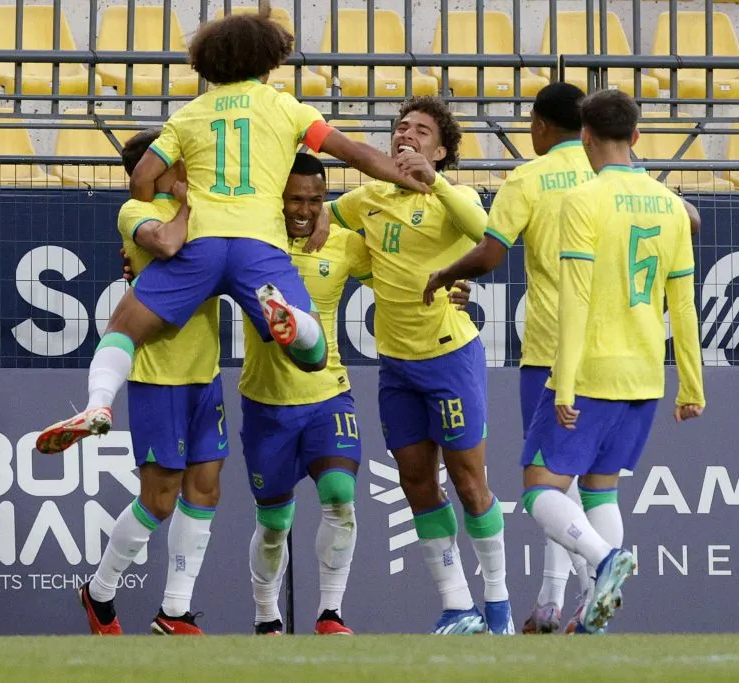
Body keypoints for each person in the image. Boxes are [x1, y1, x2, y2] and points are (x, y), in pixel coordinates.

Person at [35, 6, 429, 455]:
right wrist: (407, 178)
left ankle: (98, 404)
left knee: (123, 327)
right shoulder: (285, 107)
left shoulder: (188, 115)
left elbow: (141, 176)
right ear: (267, 58)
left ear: (210, 60)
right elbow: (353, 152)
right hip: (257, 245)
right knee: (312, 353)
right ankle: (290, 321)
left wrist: (155, 219)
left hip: (199, 244)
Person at [245, 153, 473, 636]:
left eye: (315, 199)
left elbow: (400, 281)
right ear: (277, 200)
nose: (304, 210)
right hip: (265, 399)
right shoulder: (251, 245)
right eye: (294, 200)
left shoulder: (347, 244)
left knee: (340, 497)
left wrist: (455, 283)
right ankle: (267, 615)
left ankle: (330, 613)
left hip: (329, 394)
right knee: (274, 523)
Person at [520, 89, 705, 634]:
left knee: (538, 488)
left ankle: (603, 563)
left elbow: (574, 299)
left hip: (594, 369)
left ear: (585, 138)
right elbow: (684, 304)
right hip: (645, 374)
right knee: (601, 487)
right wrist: (691, 385)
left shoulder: (582, 200)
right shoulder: (672, 206)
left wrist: (565, 383)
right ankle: (592, 611)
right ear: (638, 137)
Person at [328, 97, 513, 635]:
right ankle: (458, 606)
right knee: (415, 482)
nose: (406, 135)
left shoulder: (453, 197)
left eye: (421, 130)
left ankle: (498, 606)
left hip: (450, 357)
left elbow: (486, 231)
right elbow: (317, 219)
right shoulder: (367, 198)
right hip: (396, 366)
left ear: (441, 149)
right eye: (401, 127)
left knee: (469, 481)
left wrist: (434, 182)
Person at [423, 83, 598, 635]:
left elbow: (492, 252)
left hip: (552, 346)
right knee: (584, 483)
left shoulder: (529, 177)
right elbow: (685, 218)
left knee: (546, 482)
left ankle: (594, 579)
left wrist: (450, 272)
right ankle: (551, 600)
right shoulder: (612, 172)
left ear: (542, 126)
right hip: (615, 346)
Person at [78, 129, 224, 636]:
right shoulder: (134, 213)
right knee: (159, 500)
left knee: (205, 490)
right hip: (158, 376)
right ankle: (99, 594)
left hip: (205, 373)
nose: (185, 164)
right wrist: (189, 208)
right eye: (175, 159)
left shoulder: (199, 205)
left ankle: (175, 611)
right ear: (152, 170)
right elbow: (166, 245)